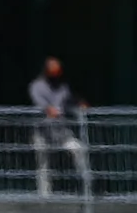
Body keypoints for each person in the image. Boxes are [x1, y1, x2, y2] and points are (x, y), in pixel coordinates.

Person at [29, 55, 91, 197]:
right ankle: (45, 195)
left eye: (58, 72)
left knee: (79, 149)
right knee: (43, 162)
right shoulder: (36, 86)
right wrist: (48, 108)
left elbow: (70, 99)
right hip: (42, 131)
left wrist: (80, 103)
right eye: (53, 72)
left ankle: (85, 188)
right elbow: (40, 104)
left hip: (61, 131)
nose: (56, 75)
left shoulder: (63, 87)